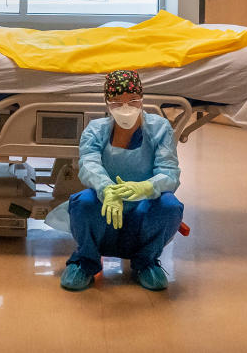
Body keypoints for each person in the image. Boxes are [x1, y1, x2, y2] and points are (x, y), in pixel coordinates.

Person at [60, 69, 183, 292]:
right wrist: (106, 189)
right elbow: (88, 165)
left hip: (143, 210)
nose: (126, 108)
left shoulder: (159, 129)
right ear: (107, 103)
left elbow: (169, 172)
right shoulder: (95, 130)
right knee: (83, 202)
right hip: (105, 210)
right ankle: (86, 262)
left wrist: (147, 186)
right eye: (117, 102)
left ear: (142, 99)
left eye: (133, 101)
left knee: (170, 206)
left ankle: (146, 262)